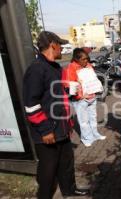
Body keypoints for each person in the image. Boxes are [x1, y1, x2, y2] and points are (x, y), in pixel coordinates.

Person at [23, 31, 89, 198]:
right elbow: (31, 104)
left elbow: (55, 95)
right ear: (53, 45)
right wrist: (45, 130)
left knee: (66, 162)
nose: (62, 48)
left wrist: (68, 90)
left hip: (61, 127)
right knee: (48, 169)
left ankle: (69, 189)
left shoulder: (55, 68)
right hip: (47, 131)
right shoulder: (36, 69)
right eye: (60, 45)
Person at [63, 48, 106, 147]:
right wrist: (80, 95)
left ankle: (95, 134)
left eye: (87, 58)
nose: (86, 61)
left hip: (91, 96)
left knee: (93, 117)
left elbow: (93, 79)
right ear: (76, 59)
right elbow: (70, 85)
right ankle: (86, 138)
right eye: (83, 59)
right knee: (84, 120)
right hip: (81, 99)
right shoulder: (71, 68)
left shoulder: (88, 65)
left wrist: (98, 88)